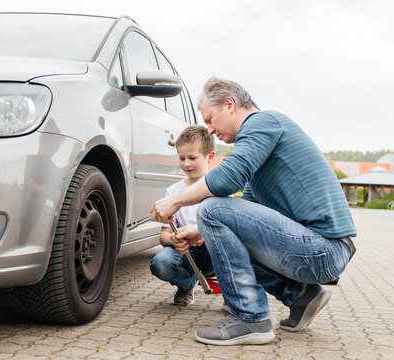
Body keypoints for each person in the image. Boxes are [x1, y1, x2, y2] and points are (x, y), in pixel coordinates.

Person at [150, 77, 357, 346]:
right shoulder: (259, 143)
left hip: (323, 249)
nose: (210, 130)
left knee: (212, 208)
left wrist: (175, 201)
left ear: (230, 104)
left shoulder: (263, 122)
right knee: (217, 221)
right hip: (320, 250)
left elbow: (227, 180)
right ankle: (301, 296)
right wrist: (198, 232)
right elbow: (247, 209)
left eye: (211, 119)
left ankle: (250, 317)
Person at [149, 125, 217, 306]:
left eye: (192, 158)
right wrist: (176, 237)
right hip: (184, 251)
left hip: (214, 251)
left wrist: (203, 234)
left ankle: (231, 292)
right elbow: (163, 236)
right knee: (160, 264)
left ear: (209, 157)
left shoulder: (220, 188)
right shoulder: (173, 191)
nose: (186, 163)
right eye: (182, 158)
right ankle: (187, 283)